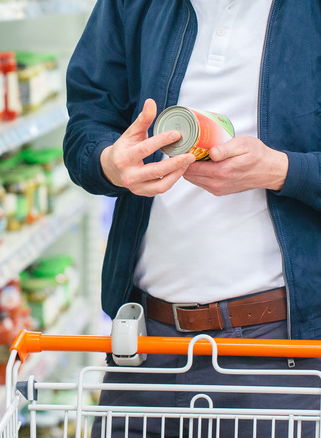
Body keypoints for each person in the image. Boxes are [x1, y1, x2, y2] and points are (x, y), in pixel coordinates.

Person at [63, 0, 321, 436]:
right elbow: (88, 122)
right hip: (145, 348)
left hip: (282, 353)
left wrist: (282, 171)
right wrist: (111, 162)